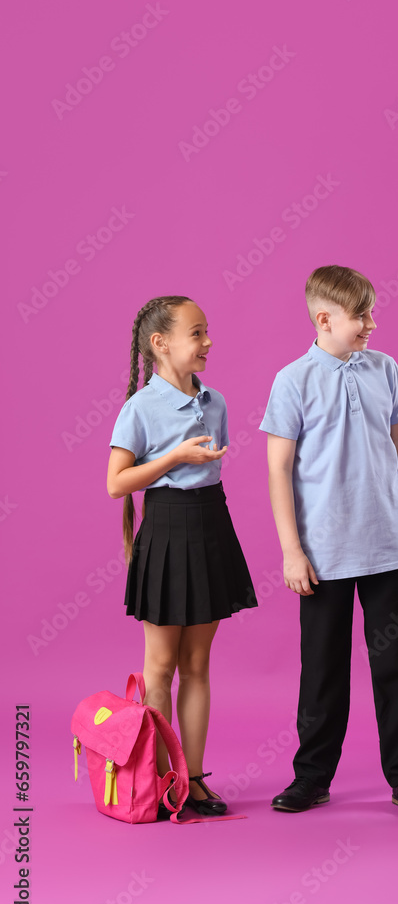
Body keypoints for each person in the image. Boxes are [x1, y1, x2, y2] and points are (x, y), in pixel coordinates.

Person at [259, 265, 398, 816]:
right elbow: (278, 468)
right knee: (323, 672)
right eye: (361, 316)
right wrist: (291, 549)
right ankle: (312, 777)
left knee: (396, 669)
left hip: (385, 548)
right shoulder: (293, 380)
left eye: (370, 313)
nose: (370, 325)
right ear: (324, 318)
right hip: (323, 554)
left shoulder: (385, 369)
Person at [107, 295, 257, 818]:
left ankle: (192, 778)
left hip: (210, 524)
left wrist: (196, 460)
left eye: (206, 331)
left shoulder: (214, 401)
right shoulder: (140, 407)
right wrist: (174, 456)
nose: (207, 342)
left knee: (198, 664)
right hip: (166, 527)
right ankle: (157, 777)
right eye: (196, 333)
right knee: (160, 667)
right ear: (160, 343)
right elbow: (116, 483)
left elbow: (213, 469)